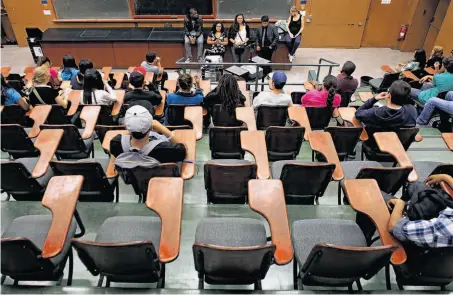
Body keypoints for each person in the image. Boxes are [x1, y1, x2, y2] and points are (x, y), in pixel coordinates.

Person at [388, 174, 453, 248]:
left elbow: (394, 227)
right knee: (416, 186)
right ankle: (407, 204)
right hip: (443, 212)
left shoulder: (443, 227)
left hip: (413, 231)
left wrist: (400, 204)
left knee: (376, 198)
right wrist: (446, 178)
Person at [110, 105, 187, 163]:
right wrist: (163, 129)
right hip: (160, 180)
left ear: (126, 126)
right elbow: (184, 149)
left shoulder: (116, 143)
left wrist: (132, 127)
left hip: (135, 181)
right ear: (151, 126)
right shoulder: (165, 149)